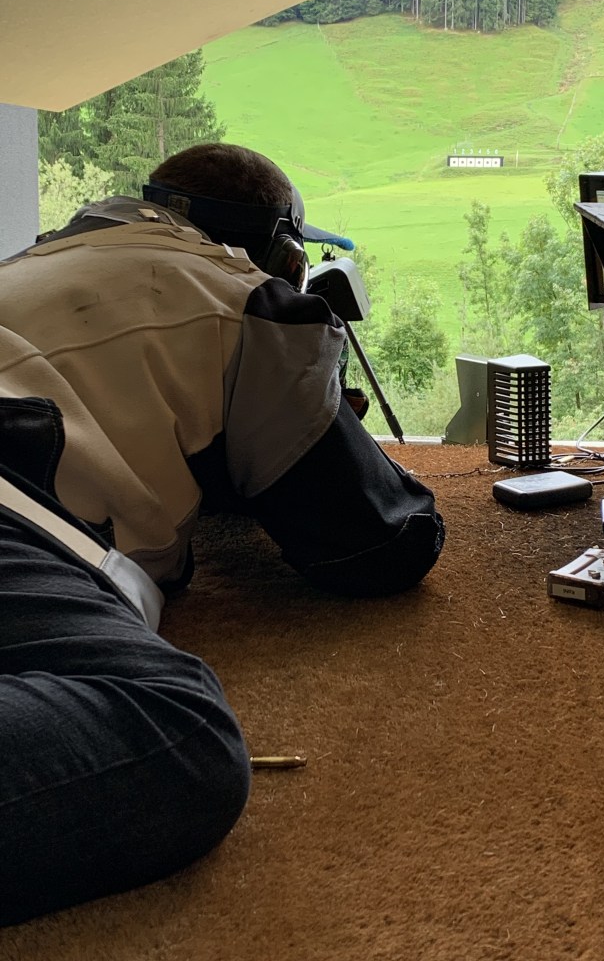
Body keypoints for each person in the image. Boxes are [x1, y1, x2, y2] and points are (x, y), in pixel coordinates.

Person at [0, 143, 445, 925]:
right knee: (176, 735)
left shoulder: (28, 263)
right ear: (286, 255)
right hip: (16, 511)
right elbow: (371, 545)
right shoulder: (245, 298)